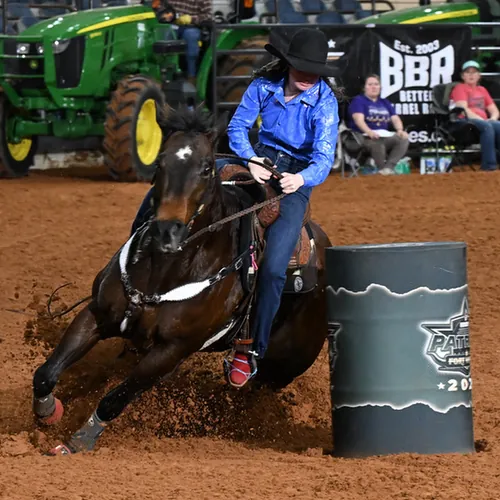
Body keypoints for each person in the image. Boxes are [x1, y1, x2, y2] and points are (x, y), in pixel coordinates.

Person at [216, 28, 340, 388]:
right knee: (191, 182)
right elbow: (238, 127)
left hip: (295, 179)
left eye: (315, 70)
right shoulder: (263, 86)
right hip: (259, 161)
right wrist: (250, 158)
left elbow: (323, 159)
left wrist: (299, 180)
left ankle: (252, 350)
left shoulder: (325, 102)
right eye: (302, 67)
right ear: (287, 64)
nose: (308, 76)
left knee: (273, 270)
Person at [347, 74, 409, 175]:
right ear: (364, 88)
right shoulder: (358, 101)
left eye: (376, 84)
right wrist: (369, 132)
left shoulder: (384, 102)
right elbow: (359, 120)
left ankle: (388, 169)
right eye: (370, 84)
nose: (374, 87)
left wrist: (400, 130)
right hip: (364, 137)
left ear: (380, 87)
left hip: (384, 135)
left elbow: (395, 118)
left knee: (403, 139)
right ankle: (381, 169)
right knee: (377, 143)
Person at [450, 60, 500, 171]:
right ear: (463, 76)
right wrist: (483, 120)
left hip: (482, 122)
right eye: (468, 72)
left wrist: (492, 119)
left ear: (479, 76)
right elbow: (463, 110)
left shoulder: (482, 90)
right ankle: (489, 166)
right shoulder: (460, 88)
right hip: (464, 122)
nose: (471, 75)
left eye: (474, 72)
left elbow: (495, 111)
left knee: (498, 125)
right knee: (487, 126)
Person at [152, 0, 212, 82]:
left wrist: (191, 19)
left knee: (190, 36)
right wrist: (164, 15)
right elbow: (159, 7)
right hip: (172, 25)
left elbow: (208, 16)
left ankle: (192, 76)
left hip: (192, 26)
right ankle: (165, 75)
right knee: (164, 35)